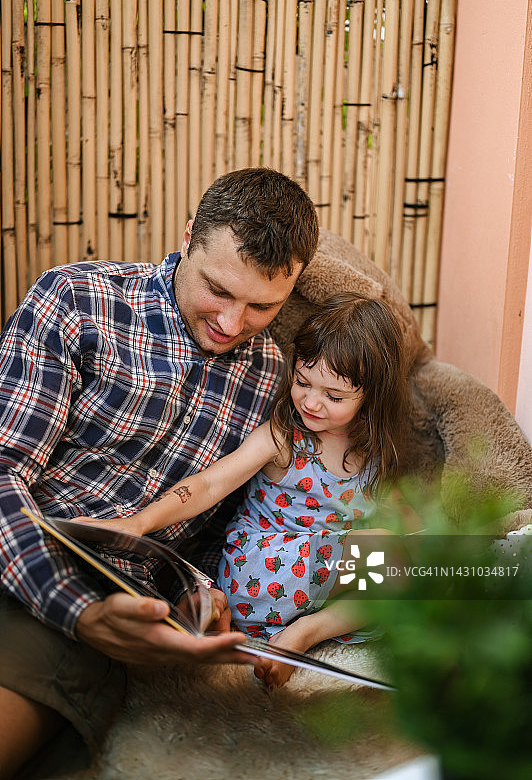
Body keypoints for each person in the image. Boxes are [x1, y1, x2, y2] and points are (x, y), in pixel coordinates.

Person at [0, 167, 319, 778]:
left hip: (93, 612)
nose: (231, 324)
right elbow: (3, 468)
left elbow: (214, 531)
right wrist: (75, 608)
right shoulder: (77, 302)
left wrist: (197, 598)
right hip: (27, 543)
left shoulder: (277, 383)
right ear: (188, 235)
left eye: (263, 307)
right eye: (218, 290)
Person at [82, 293, 417, 688]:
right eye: (302, 382)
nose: (311, 402)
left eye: (333, 396)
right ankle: (296, 635)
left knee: (418, 568)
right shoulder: (283, 438)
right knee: (388, 552)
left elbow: (410, 523)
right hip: (260, 572)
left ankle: (305, 632)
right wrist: (138, 524)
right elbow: (209, 483)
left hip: (324, 585)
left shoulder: (375, 456)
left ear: (372, 396)